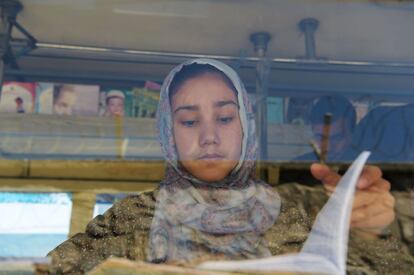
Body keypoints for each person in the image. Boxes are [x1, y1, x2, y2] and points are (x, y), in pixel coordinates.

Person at [47, 59, 413, 274]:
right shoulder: (131, 215)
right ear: (168, 134)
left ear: (246, 128)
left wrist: (373, 232)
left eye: (224, 118)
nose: (209, 137)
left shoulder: (300, 212)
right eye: (189, 122)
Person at [296, 95, 356, 162]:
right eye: (320, 137)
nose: (327, 147)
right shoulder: (296, 166)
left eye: (336, 138)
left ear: (352, 136)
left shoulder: (365, 168)